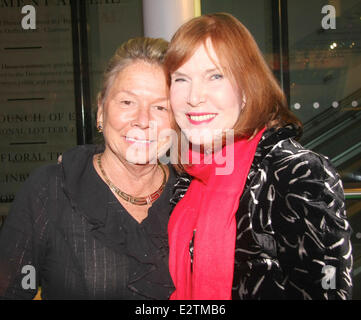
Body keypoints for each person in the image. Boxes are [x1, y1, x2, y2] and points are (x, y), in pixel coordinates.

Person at [165, 13, 353, 300]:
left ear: (246, 89)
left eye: (215, 75)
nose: (194, 97)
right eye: (181, 78)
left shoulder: (297, 172)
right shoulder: (186, 177)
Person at [0, 37, 176, 299]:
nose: (143, 120)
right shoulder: (50, 192)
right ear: (101, 111)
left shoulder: (191, 194)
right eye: (127, 102)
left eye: (161, 107)